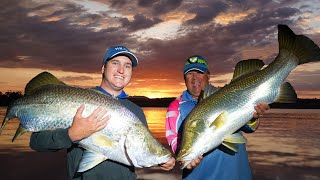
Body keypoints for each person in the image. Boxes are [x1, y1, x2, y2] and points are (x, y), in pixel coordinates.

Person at [30, 45, 175, 180]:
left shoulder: (136, 111)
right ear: (103, 68)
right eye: (115, 63)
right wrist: (71, 134)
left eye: (127, 66)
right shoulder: (74, 99)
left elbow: (140, 150)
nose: (121, 70)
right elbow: (37, 142)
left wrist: (161, 159)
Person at [165, 55, 270, 180]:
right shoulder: (175, 107)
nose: (194, 78)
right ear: (184, 79)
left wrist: (255, 116)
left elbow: (250, 128)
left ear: (208, 75)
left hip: (238, 175)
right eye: (190, 73)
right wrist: (185, 160)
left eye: (199, 72)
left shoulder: (227, 94)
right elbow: (176, 145)